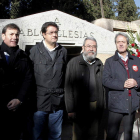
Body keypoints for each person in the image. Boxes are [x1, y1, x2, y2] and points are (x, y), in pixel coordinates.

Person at [30, 22, 67, 140]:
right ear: (43, 34)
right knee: (37, 135)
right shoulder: (34, 51)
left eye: (56, 32)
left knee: (55, 136)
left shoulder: (63, 51)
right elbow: (29, 76)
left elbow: (65, 74)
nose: (54, 35)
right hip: (39, 102)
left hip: (57, 102)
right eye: (51, 32)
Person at [65, 37, 105, 140]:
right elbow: (68, 88)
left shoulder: (99, 63)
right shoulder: (74, 63)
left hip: (96, 105)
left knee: (95, 135)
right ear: (83, 48)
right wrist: (70, 109)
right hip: (79, 106)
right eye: (89, 46)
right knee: (79, 135)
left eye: (94, 46)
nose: (91, 49)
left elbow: (103, 86)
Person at [102, 32, 140, 140]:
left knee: (128, 135)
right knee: (112, 134)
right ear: (115, 44)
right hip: (116, 104)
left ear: (127, 44)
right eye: (118, 42)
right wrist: (122, 84)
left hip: (131, 104)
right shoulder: (110, 61)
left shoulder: (136, 60)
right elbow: (105, 80)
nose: (121, 44)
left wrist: (136, 83)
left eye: (123, 42)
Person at [0, 23, 33, 140]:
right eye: (11, 34)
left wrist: (19, 99)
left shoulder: (23, 55)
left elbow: (28, 78)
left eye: (17, 34)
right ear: (3, 36)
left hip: (19, 107)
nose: (15, 37)